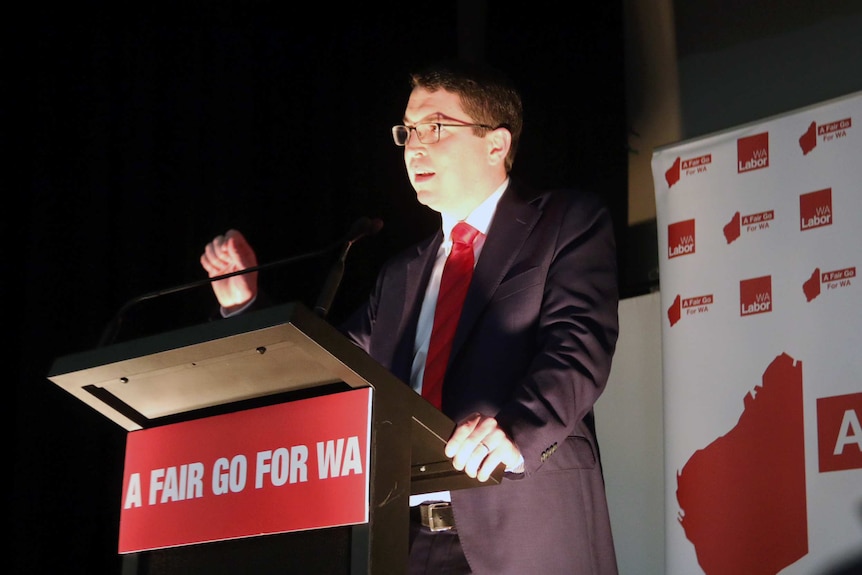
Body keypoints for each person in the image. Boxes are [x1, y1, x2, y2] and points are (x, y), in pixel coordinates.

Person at [200, 60, 620, 574]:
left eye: (436, 128)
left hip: (525, 525)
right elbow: (328, 365)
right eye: (408, 131)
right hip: (407, 541)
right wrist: (245, 304)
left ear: (496, 144)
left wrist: (515, 427)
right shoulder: (402, 273)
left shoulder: (565, 222)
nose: (414, 146)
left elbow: (578, 346)